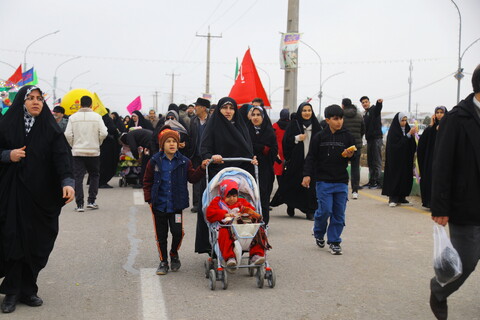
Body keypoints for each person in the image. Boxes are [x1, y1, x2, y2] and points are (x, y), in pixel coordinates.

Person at [0, 85, 75, 313]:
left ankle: (28, 289)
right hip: (12, 195)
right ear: (21, 102)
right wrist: (7, 155)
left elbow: (61, 157)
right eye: (30, 98)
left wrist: (68, 182)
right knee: (13, 240)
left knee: (38, 242)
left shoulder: (50, 129)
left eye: (39, 99)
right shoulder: (6, 125)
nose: (35, 102)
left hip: (41, 198)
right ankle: (12, 292)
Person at [429, 64, 480, 320]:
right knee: (467, 262)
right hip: (467, 203)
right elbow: (442, 163)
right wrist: (440, 207)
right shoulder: (457, 118)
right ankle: (439, 289)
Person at [143, 128, 207, 275]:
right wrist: (149, 198)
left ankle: (173, 253)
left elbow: (193, 178)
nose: (172, 144)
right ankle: (163, 261)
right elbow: (147, 181)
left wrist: (202, 168)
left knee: (178, 232)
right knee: (161, 235)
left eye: (174, 142)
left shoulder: (185, 162)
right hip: (159, 204)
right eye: (168, 142)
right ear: (162, 144)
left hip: (176, 204)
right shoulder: (154, 161)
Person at [197, 97, 255, 254]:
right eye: (225, 108)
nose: (228, 111)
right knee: (217, 208)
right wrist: (212, 156)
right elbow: (204, 149)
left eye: (231, 108)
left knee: (243, 206)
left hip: (239, 173)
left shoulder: (241, 127)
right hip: (218, 173)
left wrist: (252, 159)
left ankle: (244, 242)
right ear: (219, 110)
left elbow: (248, 149)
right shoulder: (213, 126)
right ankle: (214, 244)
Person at [302, 105, 356, 255]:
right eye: (336, 119)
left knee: (339, 213)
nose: (339, 122)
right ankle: (318, 232)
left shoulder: (347, 136)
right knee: (325, 210)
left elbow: (355, 154)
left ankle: (334, 241)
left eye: (341, 118)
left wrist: (350, 155)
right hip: (323, 181)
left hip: (341, 181)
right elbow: (311, 157)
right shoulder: (319, 137)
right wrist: (307, 175)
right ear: (327, 120)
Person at [271, 102, 321, 220]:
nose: (307, 113)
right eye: (304, 110)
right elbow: (285, 142)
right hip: (296, 161)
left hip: (312, 162)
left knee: (311, 187)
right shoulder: (294, 124)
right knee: (294, 184)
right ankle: (291, 204)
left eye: (309, 110)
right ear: (300, 112)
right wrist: (296, 138)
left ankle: (310, 211)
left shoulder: (316, 125)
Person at [206, 179, 268, 268]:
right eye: (229, 196)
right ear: (223, 194)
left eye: (234, 196)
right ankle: (230, 257)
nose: (232, 199)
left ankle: (256, 254)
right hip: (227, 228)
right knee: (223, 232)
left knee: (259, 229)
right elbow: (210, 214)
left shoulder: (241, 202)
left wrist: (246, 213)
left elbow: (251, 211)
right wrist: (225, 214)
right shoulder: (218, 202)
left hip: (243, 228)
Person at [64, 95, 108, 211]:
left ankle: (79, 204)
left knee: (78, 177)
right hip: (93, 151)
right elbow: (104, 132)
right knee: (94, 175)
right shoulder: (97, 117)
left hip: (78, 151)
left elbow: (67, 134)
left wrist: (73, 144)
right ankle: (91, 201)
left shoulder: (73, 117)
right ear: (91, 105)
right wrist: (97, 142)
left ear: (80, 105)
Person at [247, 106, 278, 225]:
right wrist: (261, 148)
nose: (255, 117)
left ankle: (264, 223)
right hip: (249, 168)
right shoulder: (246, 130)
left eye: (258, 115)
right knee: (250, 197)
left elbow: (273, 150)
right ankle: (250, 222)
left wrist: (260, 149)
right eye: (253, 114)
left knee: (263, 197)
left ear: (263, 116)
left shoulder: (269, 131)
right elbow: (245, 147)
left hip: (265, 169)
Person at [381, 112, 417, 207]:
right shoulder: (394, 131)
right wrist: (408, 135)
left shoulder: (408, 129)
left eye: (405, 120)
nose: (404, 122)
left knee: (405, 177)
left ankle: (402, 197)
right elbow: (395, 146)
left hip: (405, 159)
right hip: (395, 160)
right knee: (395, 177)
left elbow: (411, 144)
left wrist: (412, 137)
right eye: (402, 120)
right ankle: (393, 197)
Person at [417, 106, 447, 208]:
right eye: (437, 112)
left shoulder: (449, 128)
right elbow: (422, 146)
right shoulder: (430, 129)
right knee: (431, 180)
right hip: (431, 161)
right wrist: (432, 127)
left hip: (443, 161)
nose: (439, 114)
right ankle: (430, 203)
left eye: (441, 112)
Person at [188, 97, 211, 213]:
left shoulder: (212, 121)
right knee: (196, 178)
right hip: (195, 154)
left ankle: (208, 202)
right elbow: (190, 136)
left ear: (203, 108)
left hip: (208, 155)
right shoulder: (193, 121)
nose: (195, 108)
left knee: (209, 179)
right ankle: (196, 203)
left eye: (197, 106)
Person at [341, 98, 365, 199]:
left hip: (344, 145)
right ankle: (355, 191)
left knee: (341, 166)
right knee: (355, 168)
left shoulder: (341, 116)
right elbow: (363, 130)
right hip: (356, 145)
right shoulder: (359, 116)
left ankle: (342, 189)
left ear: (343, 105)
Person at [361, 96, 383, 189]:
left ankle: (378, 182)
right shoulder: (365, 114)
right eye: (363, 103)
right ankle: (371, 181)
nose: (365, 104)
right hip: (369, 139)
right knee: (370, 161)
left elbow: (378, 109)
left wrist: (379, 103)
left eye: (366, 102)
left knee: (376, 161)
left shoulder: (374, 109)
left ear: (369, 102)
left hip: (376, 138)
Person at [98, 109, 121, 188]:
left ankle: (100, 181)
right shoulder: (108, 120)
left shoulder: (99, 120)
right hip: (108, 146)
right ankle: (102, 182)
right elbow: (112, 129)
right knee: (107, 164)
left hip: (101, 146)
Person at [272, 109, 289, 186]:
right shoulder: (291, 125)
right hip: (288, 153)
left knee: (279, 175)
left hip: (278, 153)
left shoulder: (275, 126)